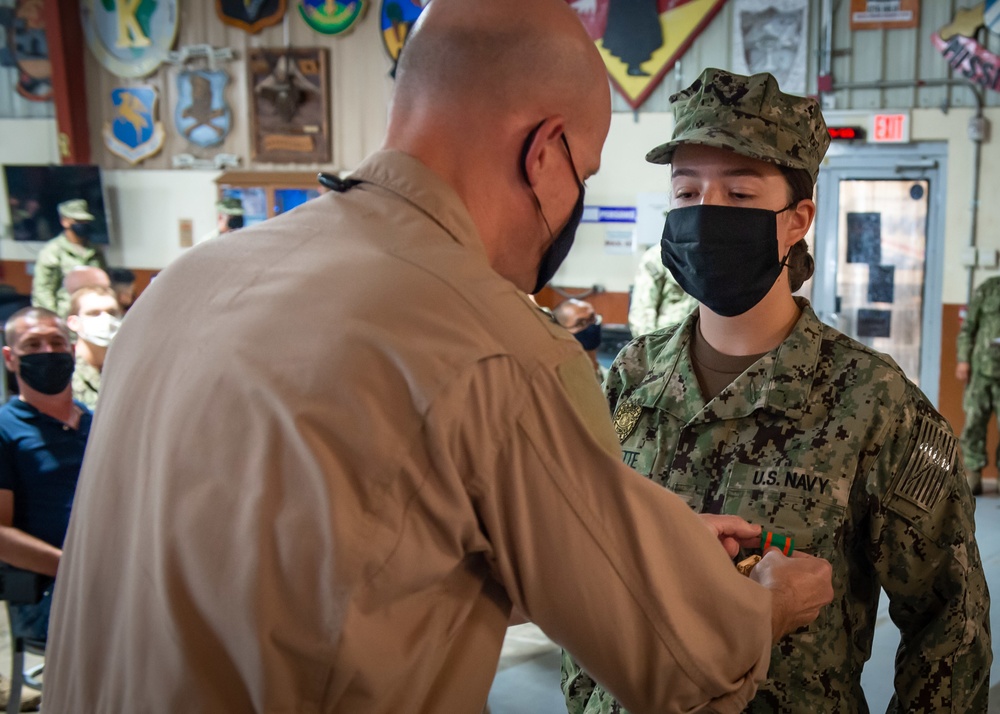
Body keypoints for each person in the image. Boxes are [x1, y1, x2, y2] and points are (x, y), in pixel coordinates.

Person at [43, 7, 832, 713]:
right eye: (584, 174)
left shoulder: (189, 283)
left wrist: (650, 545)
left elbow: (334, 566)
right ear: (545, 151)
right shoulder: (493, 346)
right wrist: (762, 606)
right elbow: (678, 664)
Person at [562, 67, 992, 713]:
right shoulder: (631, 377)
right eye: (686, 193)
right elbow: (584, 562)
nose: (706, 214)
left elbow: (948, 622)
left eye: (738, 193)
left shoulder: (876, 402)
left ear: (798, 221)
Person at [0, 307, 89, 642]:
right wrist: (73, 569)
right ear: (10, 358)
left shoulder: (100, 423)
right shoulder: (6, 430)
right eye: (33, 345)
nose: (48, 352)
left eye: (56, 342)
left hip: (120, 574)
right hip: (50, 592)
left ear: (72, 349)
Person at [956, 275, 1000, 495]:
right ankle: (973, 472)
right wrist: (963, 359)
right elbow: (968, 327)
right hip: (981, 371)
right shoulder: (988, 289)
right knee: (974, 423)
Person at [30, 199, 107, 317]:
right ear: (65, 222)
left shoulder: (94, 250)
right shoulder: (53, 251)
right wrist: (54, 319)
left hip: (95, 313)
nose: (83, 225)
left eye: (85, 221)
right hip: (67, 315)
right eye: (78, 221)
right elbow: (43, 291)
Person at [65, 287, 123, 410]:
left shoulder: (126, 369)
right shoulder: (64, 370)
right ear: (74, 322)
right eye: (93, 313)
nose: (105, 319)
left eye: (112, 313)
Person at [627, 243, 697, 337]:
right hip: (667, 339)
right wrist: (651, 346)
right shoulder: (657, 256)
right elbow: (642, 310)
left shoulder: (711, 255)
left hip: (700, 340)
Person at [553, 297, 604, 380]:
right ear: (562, 330)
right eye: (581, 323)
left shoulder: (607, 374)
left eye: (592, 318)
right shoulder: (563, 378)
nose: (591, 325)